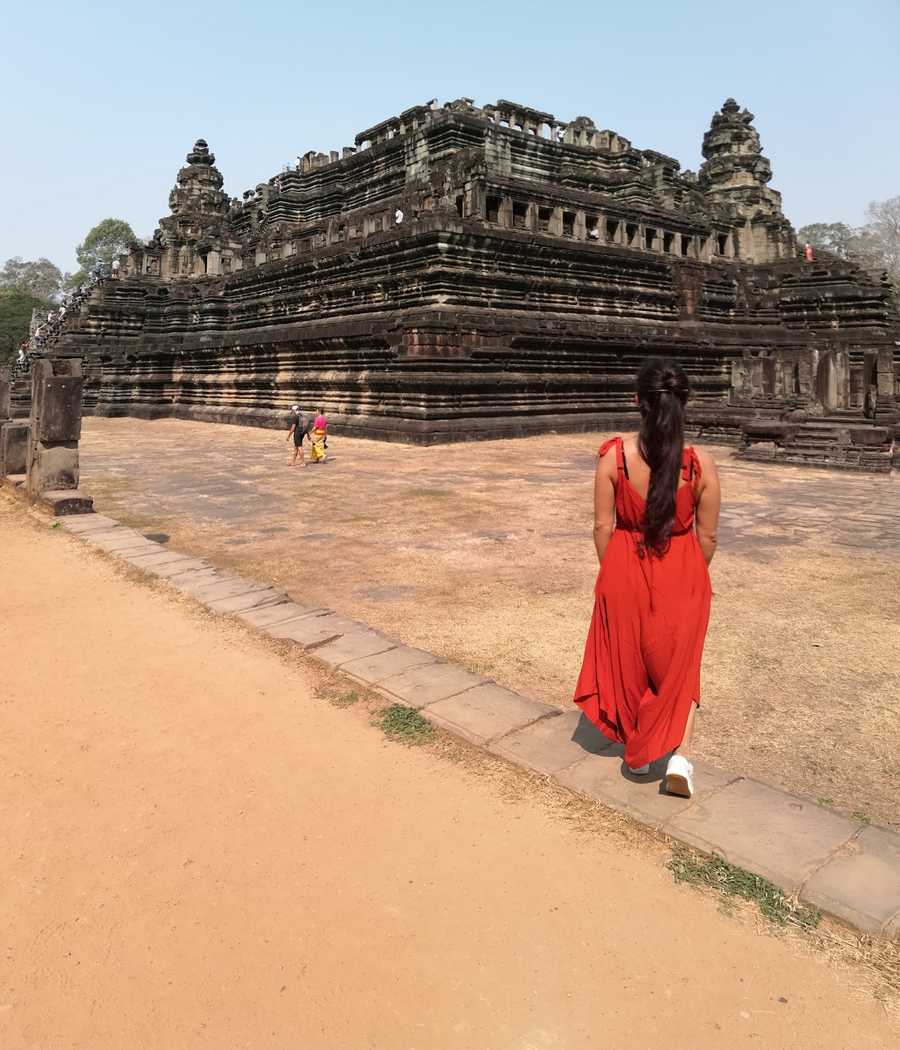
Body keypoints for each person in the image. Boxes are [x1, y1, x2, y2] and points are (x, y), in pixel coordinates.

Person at [573, 359, 720, 798]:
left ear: (637, 401)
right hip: (684, 570)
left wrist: (615, 571)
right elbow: (707, 535)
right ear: (684, 404)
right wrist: (691, 574)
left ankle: (637, 759)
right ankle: (679, 755)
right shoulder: (699, 465)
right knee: (680, 666)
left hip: (623, 567)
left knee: (630, 660)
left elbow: (602, 526)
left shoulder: (614, 456)